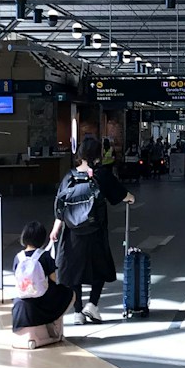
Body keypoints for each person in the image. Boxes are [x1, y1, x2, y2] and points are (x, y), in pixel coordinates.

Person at [50, 135, 133, 324]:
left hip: (72, 233)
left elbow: (60, 207)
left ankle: (78, 311)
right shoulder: (101, 175)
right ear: (98, 155)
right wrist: (131, 199)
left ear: (80, 155)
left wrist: (55, 229)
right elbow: (123, 195)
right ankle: (92, 305)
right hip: (95, 230)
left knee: (74, 271)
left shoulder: (69, 177)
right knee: (100, 267)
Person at [9, 220, 74, 345]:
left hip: (21, 297)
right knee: (68, 293)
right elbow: (53, 279)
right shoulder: (44, 256)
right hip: (42, 299)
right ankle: (54, 324)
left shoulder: (18, 257)